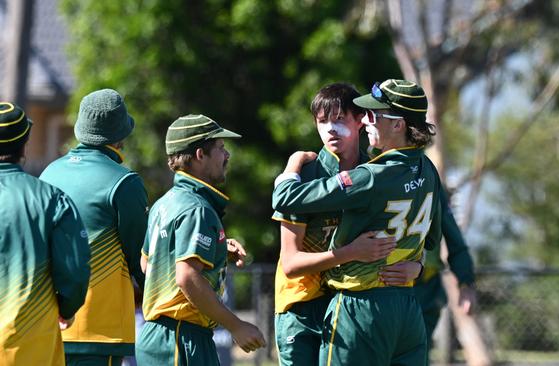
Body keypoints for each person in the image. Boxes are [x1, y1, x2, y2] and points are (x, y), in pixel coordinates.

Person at [273, 79, 441, 366]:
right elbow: (433, 240)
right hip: (302, 305)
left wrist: (291, 165)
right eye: (321, 120)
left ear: (398, 125)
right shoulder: (428, 169)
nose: (367, 119)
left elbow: (285, 196)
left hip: (356, 303)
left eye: (371, 115)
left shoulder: (371, 174)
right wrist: (417, 265)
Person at [136, 114, 266, 366]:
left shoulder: (163, 204)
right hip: (181, 338)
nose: (226, 155)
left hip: (160, 338)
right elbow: (185, 276)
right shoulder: (197, 208)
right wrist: (236, 325)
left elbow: (146, 265)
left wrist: (216, 251)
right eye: (220, 148)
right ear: (199, 155)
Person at [40, 89, 148, 366]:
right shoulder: (125, 182)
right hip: (100, 331)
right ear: (120, 137)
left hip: (47, 324)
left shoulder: (48, 174)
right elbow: (141, 258)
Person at [0, 102, 90, 365]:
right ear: (24, 144)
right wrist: (67, 309)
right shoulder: (52, 199)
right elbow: (74, 270)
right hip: (32, 345)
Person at [414, 186, 476, 357]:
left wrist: (466, 283)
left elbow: (454, 238)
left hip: (424, 290)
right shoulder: (369, 173)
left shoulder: (430, 181)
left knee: (417, 354)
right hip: (378, 289)